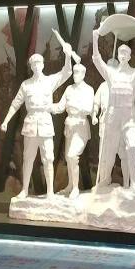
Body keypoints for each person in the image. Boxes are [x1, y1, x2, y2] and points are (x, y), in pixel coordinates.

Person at [1, 45, 73, 198]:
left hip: (45, 123)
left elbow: (66, 72)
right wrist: (6, 121)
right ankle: (25, 190)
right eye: (33, 63)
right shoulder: (25, 85)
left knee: (48, 158)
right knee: (28, 158)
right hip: (31, 124)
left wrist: (68, 55)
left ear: (43, 65)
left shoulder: (49, 81)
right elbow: (15, 103)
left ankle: (50, 192)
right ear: (31, 66)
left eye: (38, 63)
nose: (36, 66)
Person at [92, 28, 135, 191]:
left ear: (129, 56)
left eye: (126, 52)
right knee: (109, 149)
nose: (123, 55)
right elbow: (97, 60)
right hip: (113, 115)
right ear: (118, 55)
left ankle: (133, 182)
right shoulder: (111, 74)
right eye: (121, 52)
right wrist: (95, 38)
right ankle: (105, 178)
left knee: (132, 147)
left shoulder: (134, 74)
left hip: (128, 116)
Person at [51, 64, 94, 199]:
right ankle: (70, 185)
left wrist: (74, 106)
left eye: (78, 72)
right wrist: (47, 106)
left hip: (81, 126)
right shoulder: (69, 89)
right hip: (69, 126)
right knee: (68, 159)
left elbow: (88, 108)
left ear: (83, 74)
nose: (75, 75)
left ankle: (75, 187)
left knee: (72, 155)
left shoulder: (88, 90)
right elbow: (60, 107)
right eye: (74, 72)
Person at [92, 58, 130, 188]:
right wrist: (94, 114)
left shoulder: (122, 85)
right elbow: (96, 102)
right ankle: (104, 179)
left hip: (119, 122)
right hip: (105, 122)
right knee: (104, 153)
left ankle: (127, 183)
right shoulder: (103, 86)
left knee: (124, 153)